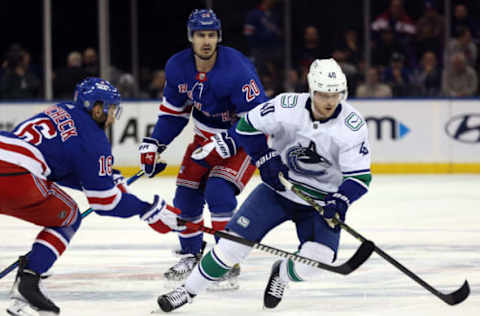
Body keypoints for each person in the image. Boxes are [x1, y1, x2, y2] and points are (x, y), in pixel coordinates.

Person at [156, 58, 372, 312]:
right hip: (277, 190)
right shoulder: (286, 106)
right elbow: (247, 126)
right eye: (323, 94)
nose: (329, 101)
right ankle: (187, 291)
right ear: (312, 90)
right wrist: (264, 157)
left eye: (335, 95)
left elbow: (359, 177)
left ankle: (281, 274)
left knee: (319, 259)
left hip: (321, 200)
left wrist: (341, 200)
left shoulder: (352, 126)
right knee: (231, 247)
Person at [0, 77, 184, 315]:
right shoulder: (94, 139)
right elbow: (105, 203)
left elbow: (58, 164)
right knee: (68, 217)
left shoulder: (61, 108)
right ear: (98, 108)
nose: (112, 116)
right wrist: (148, 208)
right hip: (17, 174)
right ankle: (29, 280)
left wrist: (108, 177)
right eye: (112, 109)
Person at [138, 9, 268, 286]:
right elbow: (174, 115)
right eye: (200, 35)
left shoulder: (237, 69)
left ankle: (224, 260)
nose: (206, 41)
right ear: (191, 37)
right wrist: (155, 143)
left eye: (211, 35)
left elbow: (259, 118)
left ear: (218, 37)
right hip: (204, 138)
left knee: (219, 191)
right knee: (185, 196)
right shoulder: (176, 67)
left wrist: (231, 140)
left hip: (243, 140)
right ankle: (191, 255)